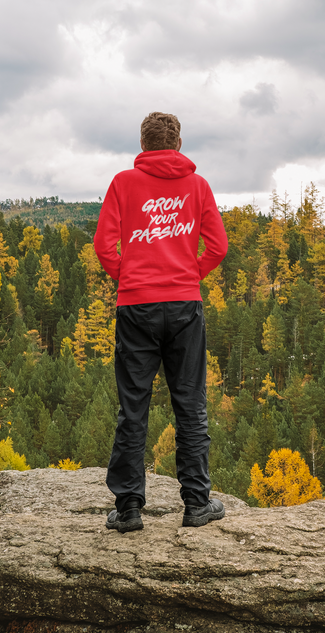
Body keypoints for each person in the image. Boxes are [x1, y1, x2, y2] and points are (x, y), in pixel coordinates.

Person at [93, 111, 228, 532]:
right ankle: (196, 505)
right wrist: (188, 275)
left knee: (133, 407)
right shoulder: (197, 185)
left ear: (143, 144)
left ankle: (130, 508)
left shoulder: (123, 183)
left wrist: (130, 277)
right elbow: (218, 247)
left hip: (136, 308)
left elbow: (103, 245)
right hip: (185, 307)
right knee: (190, 405)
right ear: (178, 145)